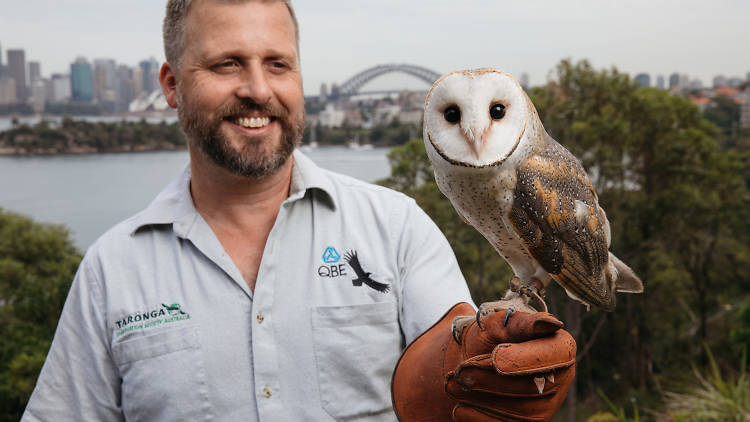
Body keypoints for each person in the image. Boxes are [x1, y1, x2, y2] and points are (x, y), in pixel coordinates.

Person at [22, 1, 574, 421]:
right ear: (171, 85)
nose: (258, 89)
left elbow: (452, 356)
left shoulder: (397, 227)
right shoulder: (110, 269)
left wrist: (482, 367)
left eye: (278, 64)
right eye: (227, 64)